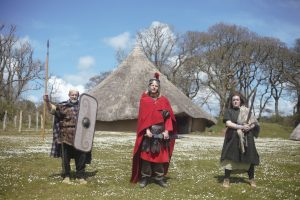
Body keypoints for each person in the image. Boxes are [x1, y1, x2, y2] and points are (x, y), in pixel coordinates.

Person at [130, 72, 177, 188]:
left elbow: (168, 117)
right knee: (146, 157)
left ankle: (159, 178)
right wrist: (146, 131)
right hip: (148, 133)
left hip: (161, 132)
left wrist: (167, 131)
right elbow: (143, 118)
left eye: (156, 86)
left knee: (160, 157)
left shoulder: (164, 100)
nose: (154, 87)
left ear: (158, 87)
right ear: (149, 86)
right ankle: (145, 178)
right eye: (152, 85)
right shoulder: (144, 100)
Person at [44, 89, 91, 184]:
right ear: (69, 95)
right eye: (72, 95)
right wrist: (47, 101)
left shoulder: (83, 107)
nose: (74, 96)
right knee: (65, 157)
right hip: (65, 136)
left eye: (76, 95)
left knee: (81, 157)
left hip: (79, 136)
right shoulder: (63, 106)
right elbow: (52, 110)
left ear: (78, 96)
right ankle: (66, 176)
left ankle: (80, 176)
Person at [220, 91, 260, 188]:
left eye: (237, 100)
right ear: (231, 102)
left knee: (249, 157)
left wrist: (249, 127)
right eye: (233, 100)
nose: (235, 101)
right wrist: (241, 126)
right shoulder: (229, 111)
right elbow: (228, 123)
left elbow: (254, 123)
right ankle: (226, 179)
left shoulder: (246, 110)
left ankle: (251, 179)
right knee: (230, 157)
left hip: (247, 137)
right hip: (232, 137)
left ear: (240, 101)